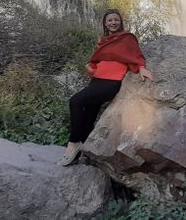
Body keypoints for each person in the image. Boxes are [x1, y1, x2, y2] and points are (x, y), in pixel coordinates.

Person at [59, 9, 153, 166]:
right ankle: (82, 151)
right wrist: (91, 66)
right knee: (89, 112)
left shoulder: (127, 38)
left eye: (116, 20)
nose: (113, 23)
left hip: (111, 82)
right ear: (105, 23)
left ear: (120, 21)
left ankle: (74, 143)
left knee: (75, 101)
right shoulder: (103, 40)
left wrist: (142, 68)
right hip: (96, 79)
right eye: (109, 20)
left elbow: (136, 55)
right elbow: (96, 60)